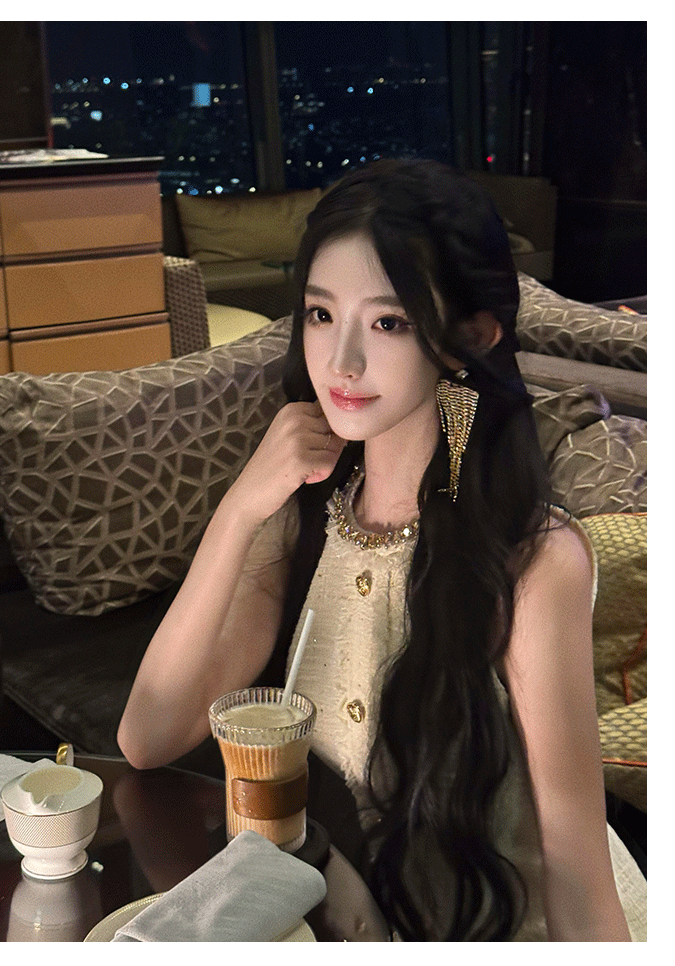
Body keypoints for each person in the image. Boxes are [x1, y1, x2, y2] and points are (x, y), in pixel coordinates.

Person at [118, 159, 646, 941]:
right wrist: (239, 508)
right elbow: (147, 736)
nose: (342, 362)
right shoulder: (301, 514)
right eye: (321, 314)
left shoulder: (531, 562)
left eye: (389, 322)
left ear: (469, 338)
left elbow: (574, 866)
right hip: (336, 915)